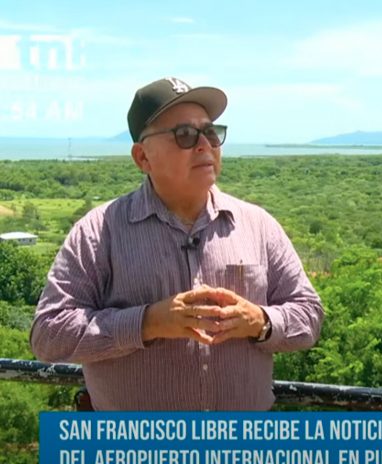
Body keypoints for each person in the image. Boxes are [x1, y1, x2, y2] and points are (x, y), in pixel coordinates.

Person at [30, 77, 324, 410]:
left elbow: (309, 315)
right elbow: (49, 335)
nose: (204, 144)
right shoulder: (99, 232)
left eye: (211, 132)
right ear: (143, 157)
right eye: (184, 135)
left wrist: (261, 321)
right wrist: (147, 323)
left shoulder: (258, 226)